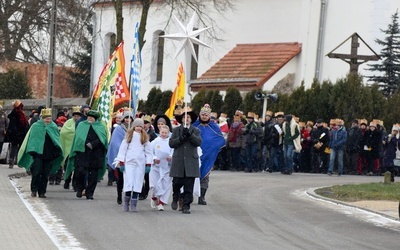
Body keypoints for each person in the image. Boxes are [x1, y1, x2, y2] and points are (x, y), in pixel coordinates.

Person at [17, 108, 63, 198]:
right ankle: (34, 190)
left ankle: (42, 192)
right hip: (38, 154)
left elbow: (57, 140)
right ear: (42, 118)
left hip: (49, 154)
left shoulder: (53, 127)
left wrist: (56, 152)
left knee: (45, 174)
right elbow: (32, 139)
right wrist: (33, 150)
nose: (48, 120)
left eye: (49, 118)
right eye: (46, 118)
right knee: (36, 172)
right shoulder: (36, 126)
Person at [65, 110, 108, 200]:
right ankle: (80, 189)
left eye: (92, 117)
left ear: (95, 119)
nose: (90, 119)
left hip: (96, 154)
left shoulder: (100, 126)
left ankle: (89, 193)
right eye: (88, 117)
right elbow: (79, 137)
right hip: (83, 153)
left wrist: (93, 144)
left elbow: (103, 139)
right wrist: (86, 142)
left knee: (93, 175)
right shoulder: (82, 125)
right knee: (80, 172)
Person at [114, 118, 153, 212]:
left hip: (140, 164)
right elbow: (122, 150)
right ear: (134, 126)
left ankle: (134, 203)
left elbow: (149, 152)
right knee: (129, 181)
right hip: (129, 163)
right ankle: (126, 201)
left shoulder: (144, 138)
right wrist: (121, 162)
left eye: (140, 126)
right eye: (137, 126)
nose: (138, 128)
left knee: (138, 182)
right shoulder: (129, 136)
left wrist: (148, 164)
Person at [169, 107, 202, 214]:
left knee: (189, 185)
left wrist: (190, 135)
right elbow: (172, 143)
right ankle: (176, 197)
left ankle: (186, 205)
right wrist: (181, 138)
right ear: (181, 119)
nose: (186, 119)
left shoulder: (196, 130)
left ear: (191, 120)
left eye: (188, 117)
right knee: (177, 183)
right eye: (184, 117)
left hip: (190, 162)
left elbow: (198, 142)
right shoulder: (176, 130)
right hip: (179, 161)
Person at [193, 104, 225, 205]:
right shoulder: (194, 126)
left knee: (205, 176)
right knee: (191, 176)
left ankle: (201, 197)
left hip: (208, 156)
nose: (204, 116)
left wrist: (212, 150)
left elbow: (220, 140)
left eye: (206, 115)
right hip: (194, 156)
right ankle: (188, 196)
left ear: (209, 116)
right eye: (202, 114)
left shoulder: (214, 127)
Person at [107, 110, 134, 204]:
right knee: (121, 179)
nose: (128, 120)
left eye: (130, 118)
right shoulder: (119, 129)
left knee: (130, 179)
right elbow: (114, 143)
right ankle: (119, 195)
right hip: (121, 157)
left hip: (131, 158)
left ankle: (128, 196)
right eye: (126, 118)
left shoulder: (135, 129)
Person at [149, 125, 174, 211]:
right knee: (154, 185)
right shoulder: (154, 142)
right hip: (156, 167)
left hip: (166, 167)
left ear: (168, 133)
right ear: (159, 132)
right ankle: (153, 197)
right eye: (162, 132)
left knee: (165, 184)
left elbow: (173, 152)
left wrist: (170, 157)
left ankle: (161, 203)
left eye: (165, 133)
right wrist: (154, 158)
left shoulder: (170, 142)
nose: (164, 134)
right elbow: (150, 153)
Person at [60, 106, 82, 190]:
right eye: (75, 116)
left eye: (78, 116)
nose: (76, 118)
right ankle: (67, 180)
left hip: (77, 149)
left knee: (77, 168)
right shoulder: (68, 122)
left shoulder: (82, 123)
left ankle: (75, 184)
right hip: (68, 149)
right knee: (68, 166)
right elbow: (63, 132)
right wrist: (73, 133)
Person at [4, 100, 29, 168]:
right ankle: (18, 161)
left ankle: (12, 161)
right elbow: (22, 125)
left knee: (14, 148)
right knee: (18, 148)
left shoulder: (15, 113)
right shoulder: (19, 114)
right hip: (19, 134)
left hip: (16, 134)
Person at [138, 114, 157, 200]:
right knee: (139, 176)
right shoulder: (138, 133)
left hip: (149, 158)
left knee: (147, 177)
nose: (145, 125)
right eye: (143, 123)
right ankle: (140, 192)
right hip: (140, 157)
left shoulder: (152, 134)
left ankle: (146, 191)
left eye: (147, 123)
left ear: (150, 124)